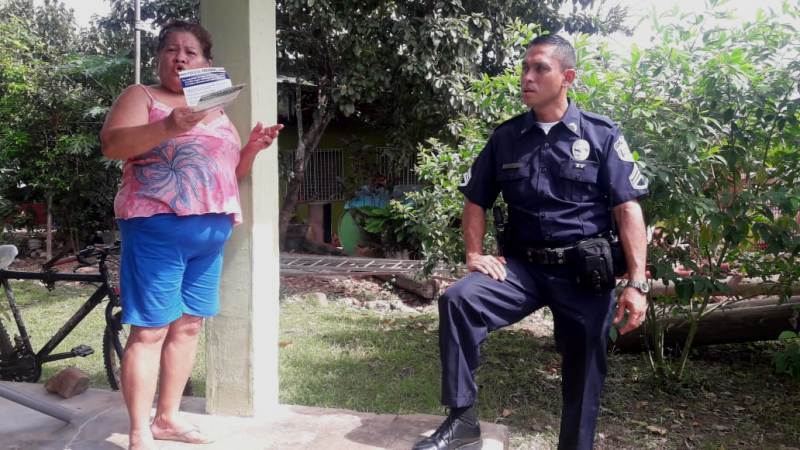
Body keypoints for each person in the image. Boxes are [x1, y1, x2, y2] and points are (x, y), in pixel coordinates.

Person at [412, 34, 649, 450]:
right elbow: (475, 199)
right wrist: (474, 253)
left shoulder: (600, 135)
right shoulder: (507, 137)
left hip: (582, 274)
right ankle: (462, 420)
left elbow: (627, 209)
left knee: (584, 372)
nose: (527, 77)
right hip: (521, 270)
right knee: (460, 300)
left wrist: (637, 282)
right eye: (525, 68)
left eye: (540, 68)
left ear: (567, 77)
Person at [100, 20, 282, 450]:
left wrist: (251, 149)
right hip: (157, 228)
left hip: (210, 234)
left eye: (190, 52)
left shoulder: (213, 108)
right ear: (159, 58)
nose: (180, 58)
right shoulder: (141, 97)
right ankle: (139, 432)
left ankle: (167, 418)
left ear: (206, 63)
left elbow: (225, 173)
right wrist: (169, 126)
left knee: (187, 328)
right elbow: (112, 145)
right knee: (150, 331)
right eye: (171, 50)